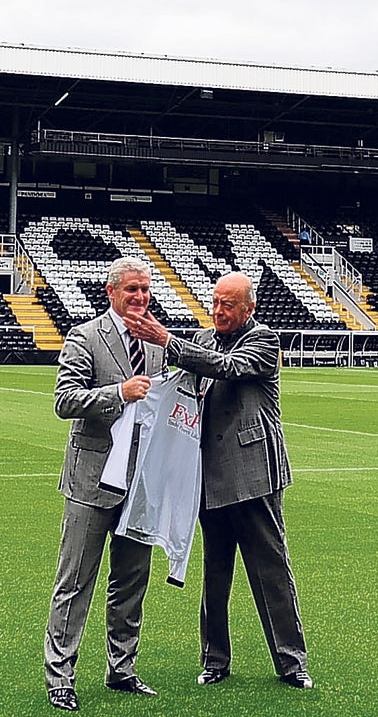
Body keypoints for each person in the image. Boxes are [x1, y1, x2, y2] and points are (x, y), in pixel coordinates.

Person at [126, 270, 313, 690]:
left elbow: (228, 368)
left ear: (249, 308)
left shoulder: (264, 341)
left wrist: (169, 342)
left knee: (270, 569)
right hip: (209, 477)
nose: (218, 311)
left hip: (254, 476)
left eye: (228, 304)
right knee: (215, 572)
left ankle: (292, 662)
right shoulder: (204, 339)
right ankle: (214, 659)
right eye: (214, 302)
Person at [44, 256, 166, 712]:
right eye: (132, 289)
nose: (140, 297)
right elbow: (64, 400)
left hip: (140, 484)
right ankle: (61, 675)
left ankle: (123, 668)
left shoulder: (156, 342)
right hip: (92, 480)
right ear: (111, 292)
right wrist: (118, 393)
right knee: (75, 580)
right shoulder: (85, 336)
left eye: (145, 289)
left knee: (132, 581)